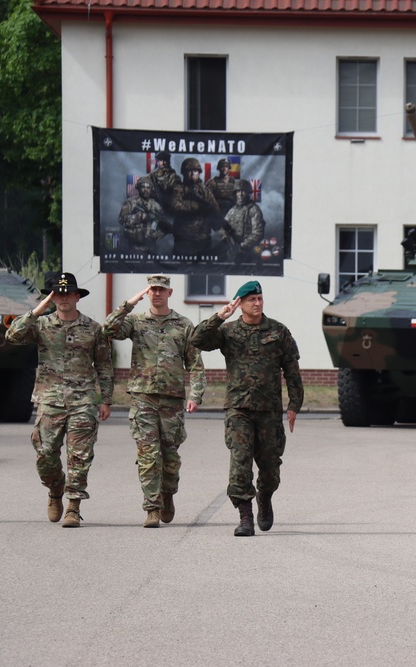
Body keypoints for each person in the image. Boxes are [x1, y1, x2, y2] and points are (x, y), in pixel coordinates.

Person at [190, 281, 304, 537]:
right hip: (238, 409)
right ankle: (245, 516)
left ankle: (265, 497)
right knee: (240, 463)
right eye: (251, 299)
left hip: (269, 411)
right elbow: (197, 339)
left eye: (260, 298)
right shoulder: (229, 331)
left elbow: (292, 369)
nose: (257, 303)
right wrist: (219, 317)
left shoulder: (278, 331)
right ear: (239, 303)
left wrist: (294, 404)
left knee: (270, 467)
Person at [5, 272, 113, 528]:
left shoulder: (93, 329)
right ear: (52, 297)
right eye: (58, 293)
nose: (64, 298)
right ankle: (55, 490)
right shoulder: (41, 325)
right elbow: (12, 337)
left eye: (68, 293)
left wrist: (105, 399)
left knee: (80, 456)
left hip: (83, 401)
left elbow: (104, 365)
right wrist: (36, 311)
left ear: (77, 296)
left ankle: (73, 508)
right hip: (49, 400)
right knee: (45, 455)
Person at [103, 275, 206, 528]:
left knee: (170, 458)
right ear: (147, 293)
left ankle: (168, 495)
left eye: (162, 290)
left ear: (170, 293)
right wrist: (130, 303)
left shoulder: (183, 324)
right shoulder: (136, 322)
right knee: (148, 455)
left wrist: (195, 395)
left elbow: (195, 364)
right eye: (153, 290)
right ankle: (151, 507)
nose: (157, 294)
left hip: (172, 401)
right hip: (143, 398)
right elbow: (107, 329)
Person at [170, 156, 220, 256]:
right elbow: (175, 207)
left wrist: (207, 209)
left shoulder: (205, 190)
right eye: (189, 171)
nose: (193, 174)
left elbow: (215, 210)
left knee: (204, 268)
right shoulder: (178, 189)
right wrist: (196, 206)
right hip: (183, 238)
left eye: (195, 171)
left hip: (203, 238)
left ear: (199, 173)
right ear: (184, 172)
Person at [117, 178, 169, 254]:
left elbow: (162, 223)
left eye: (148, 188)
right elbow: (121, 219)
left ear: (151, 189)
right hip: (134, 247)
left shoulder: (155, 205)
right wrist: (137, 217)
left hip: (151, 247)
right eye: (143, 187)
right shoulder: (130, 203)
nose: (146, 190)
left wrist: (156, 234)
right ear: (138, 188)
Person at [220, 179, 265, 263]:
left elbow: (258, 233)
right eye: (238, 191)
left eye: (243, 191)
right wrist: (225, 236)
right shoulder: (232, 211)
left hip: (249, 251)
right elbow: (223, 226)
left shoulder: (254, 210)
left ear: (248, 193)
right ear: (235, 193)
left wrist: (242, 245)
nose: (240, 194)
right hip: (232, 250)